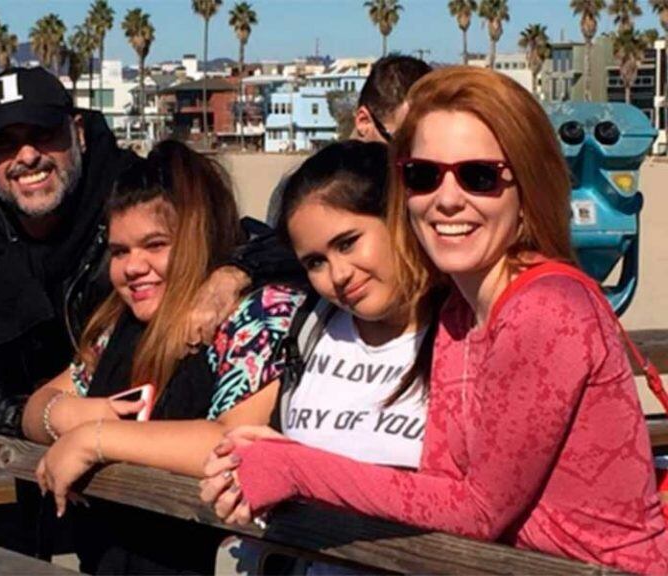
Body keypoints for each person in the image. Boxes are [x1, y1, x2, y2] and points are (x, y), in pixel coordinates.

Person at [200, 67, 668, 575]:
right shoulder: (458, 312)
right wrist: (286, 450)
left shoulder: (546, 310)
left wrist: (297, 468)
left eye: (479, 176)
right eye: (424, 175)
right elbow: (441, 480)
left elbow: (479, 510)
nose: (446, 200)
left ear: (527, 185)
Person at [36, 142, 433, 539]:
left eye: (155, 245)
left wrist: (97, 438)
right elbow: (35, 407)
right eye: (120, 251)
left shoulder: (260, 314)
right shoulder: (122, 326)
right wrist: (69, 415)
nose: (134, 266)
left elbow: (228, 442)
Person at [0, 66, 297, 439]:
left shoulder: (126, 192)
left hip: (161, 422)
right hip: (45, 448)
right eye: (3, 143)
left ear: (79, 133)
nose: (28, 155)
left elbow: (271, 241)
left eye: (44, 134)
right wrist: (53, 417)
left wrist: (232, 273)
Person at [265, 55, 431, 225]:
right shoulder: (304, 192)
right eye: (402, 145)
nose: (413, 159)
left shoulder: (428, 183)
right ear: (363, 121)